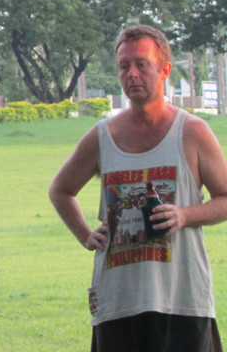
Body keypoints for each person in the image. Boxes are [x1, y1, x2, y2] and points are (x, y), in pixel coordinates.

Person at [49, 24, 227, 352]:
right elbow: (61, 190)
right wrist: (85, 234)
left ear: (164, 70)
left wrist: (185, 215)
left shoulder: (192, 132)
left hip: (182, 301)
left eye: (141, 64)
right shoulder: (102, 137)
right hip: (119, 303)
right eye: (124, 66)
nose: (131, 74)